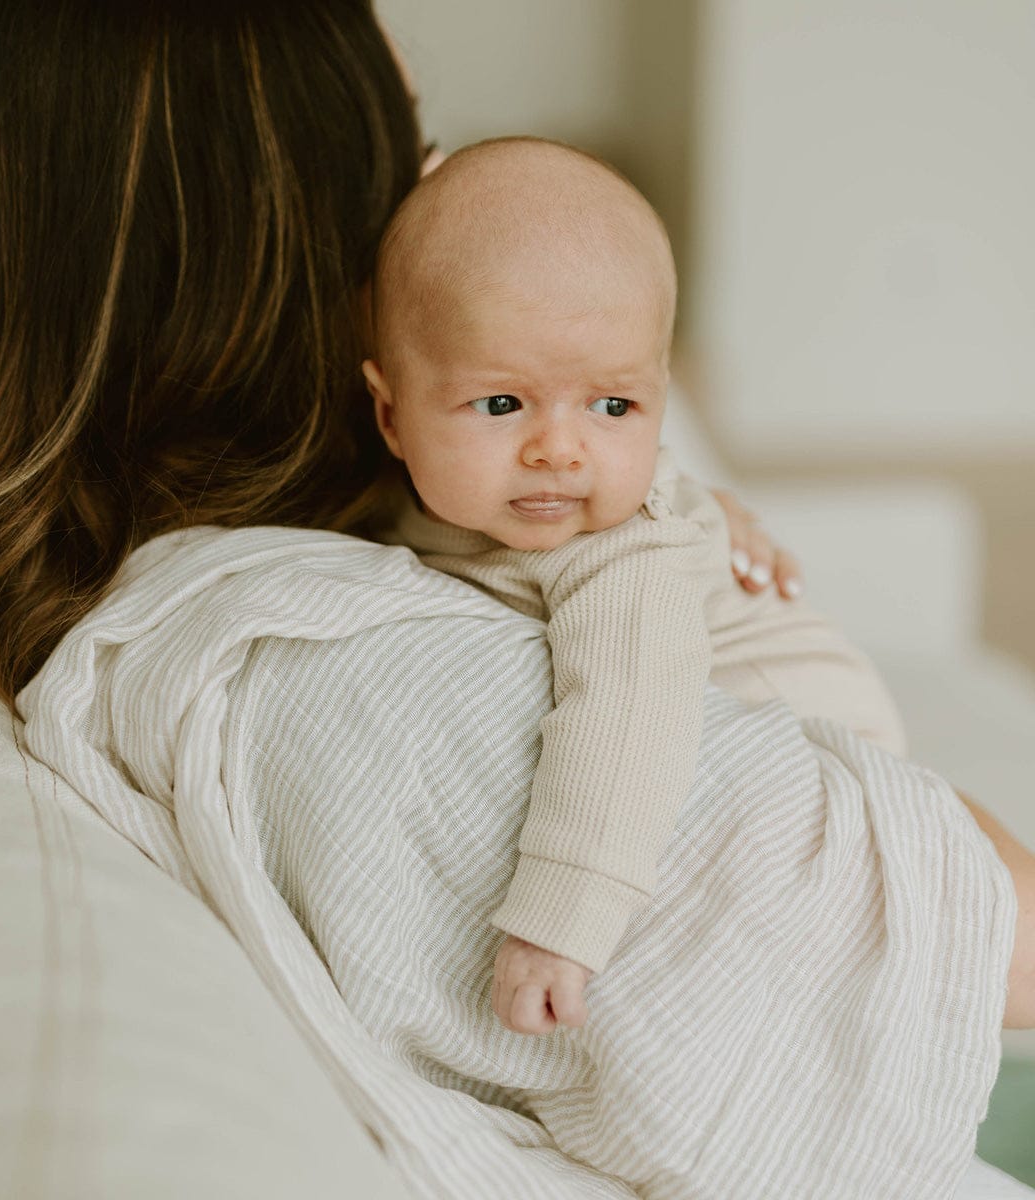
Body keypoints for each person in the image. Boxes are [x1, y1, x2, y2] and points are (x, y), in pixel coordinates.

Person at [0, 0, 1034, 1193]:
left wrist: (679, 503)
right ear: (296, 275)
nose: (427, 186)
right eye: (399, 164)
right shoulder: (319, 651)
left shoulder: (351, 538)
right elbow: (966, 921)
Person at [363, 134, 911, 1034]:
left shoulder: (624, 551)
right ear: (390, 413)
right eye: (502, 404)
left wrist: (558, 923)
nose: (561, 449)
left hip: (813, 734)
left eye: (614, 407)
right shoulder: (422, 501)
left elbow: (627, 717)